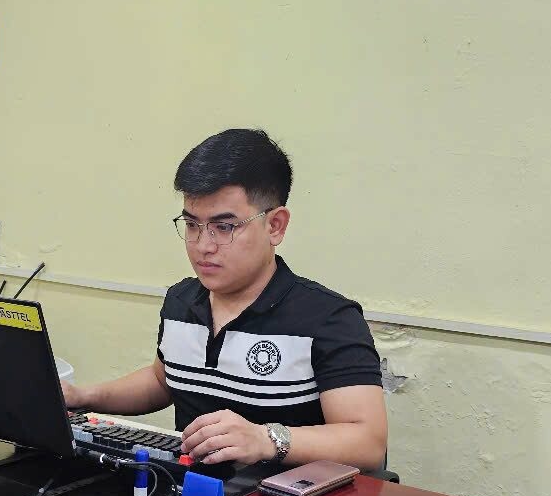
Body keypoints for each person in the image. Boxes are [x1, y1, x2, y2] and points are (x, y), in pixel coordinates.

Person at [63, 129, 387, 471]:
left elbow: (367, 442)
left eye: (225, 227)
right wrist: (83, 396)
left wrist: (265, 439)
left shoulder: (328, 318)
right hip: (190, 492)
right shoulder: (181, 301)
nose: (203, 246)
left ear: (275, 226)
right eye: (192, 225)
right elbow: (163, 381)